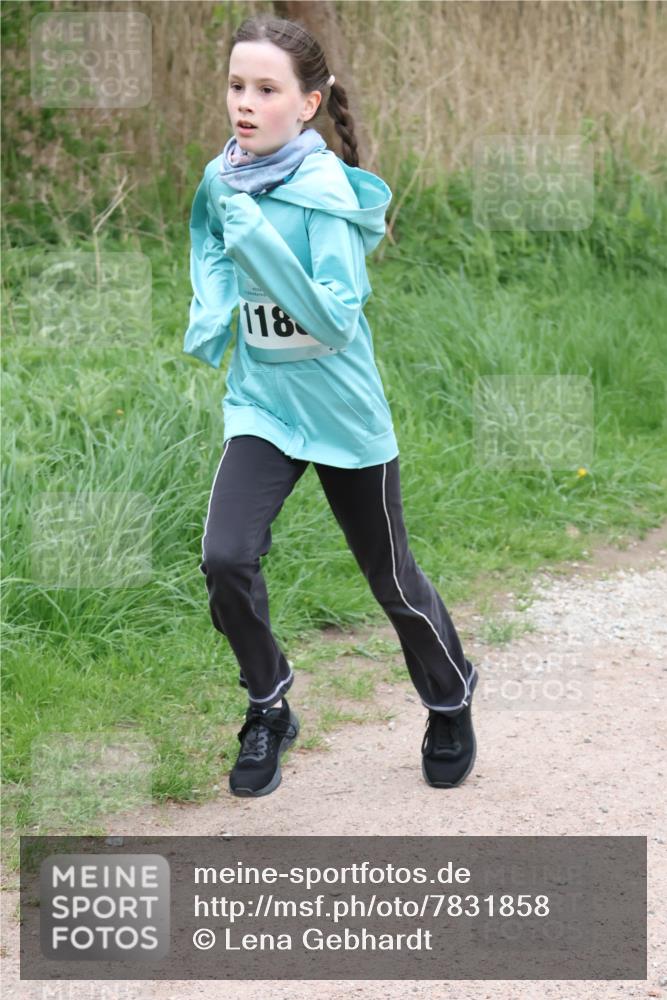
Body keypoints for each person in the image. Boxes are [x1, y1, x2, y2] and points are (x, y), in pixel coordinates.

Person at [184, 13, 479, 798]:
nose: (245, 102)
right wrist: (211, 310)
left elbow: (332, 317)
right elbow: (207, 245)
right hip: (263, 408)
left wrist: (257, 243)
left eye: (267, 89)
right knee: (225, 557)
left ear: (307, 104)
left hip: (344, 418)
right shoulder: (224, 177)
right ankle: (267, 701)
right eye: (236, 85)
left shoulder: (325, 194)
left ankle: (448, 697)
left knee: (390, 581)